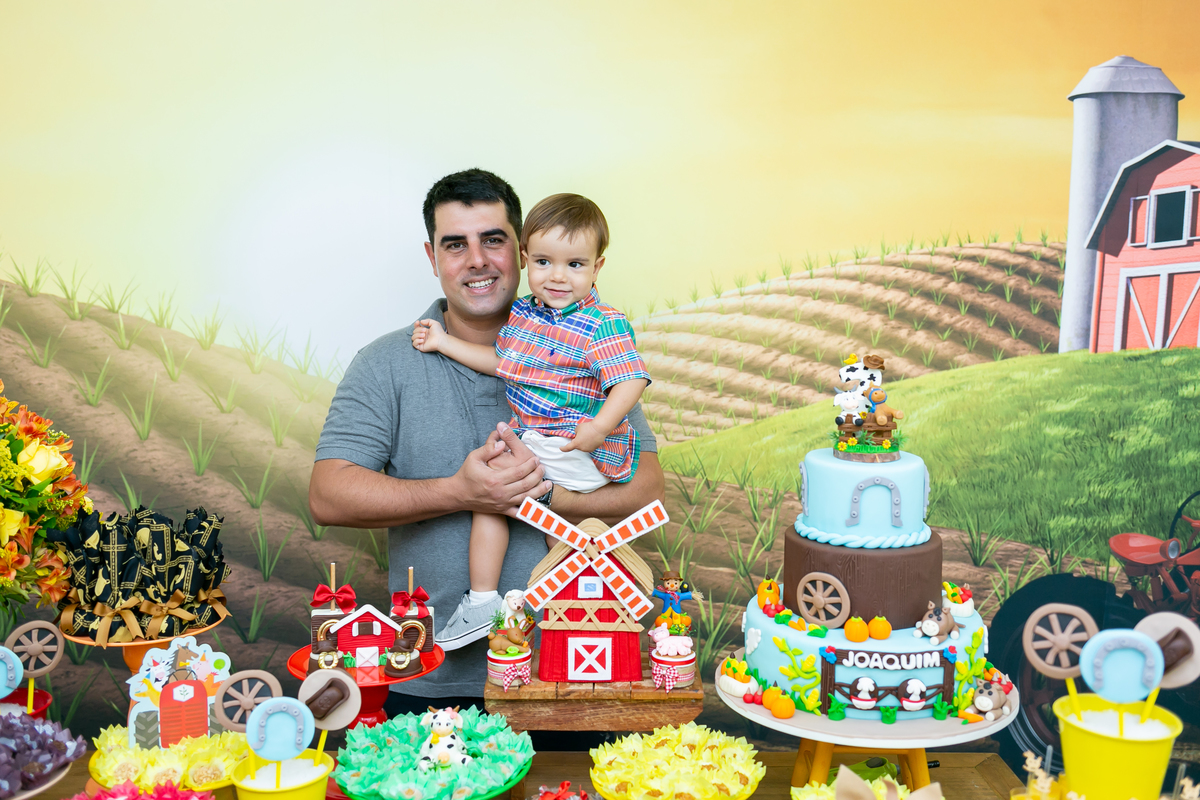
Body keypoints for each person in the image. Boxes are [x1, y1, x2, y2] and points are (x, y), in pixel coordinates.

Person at [309, 168, 664, 717]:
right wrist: (462, 492)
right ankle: (480, 605)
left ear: (517, 250)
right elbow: (328, 496)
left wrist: (538, 498)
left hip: (568, 679)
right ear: (433, 258)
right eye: (456, 244)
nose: (476, 260)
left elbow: (645, 488)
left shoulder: (587, 352)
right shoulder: (383, 364)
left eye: (492, 239)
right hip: (430, 684)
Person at [411, 193, 651, 650]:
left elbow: (630, 381)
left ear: (597, 268)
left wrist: (598, 427)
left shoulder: (602, 324)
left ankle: (484, 601)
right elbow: (503, 364)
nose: (558, 276)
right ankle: (562, 601)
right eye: (544, 261)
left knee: (493, 489)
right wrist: (443, 343)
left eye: (575, 265)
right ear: (525, 260)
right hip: (537, 438)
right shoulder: (525, 315)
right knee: (525, 508)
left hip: (576, 445)